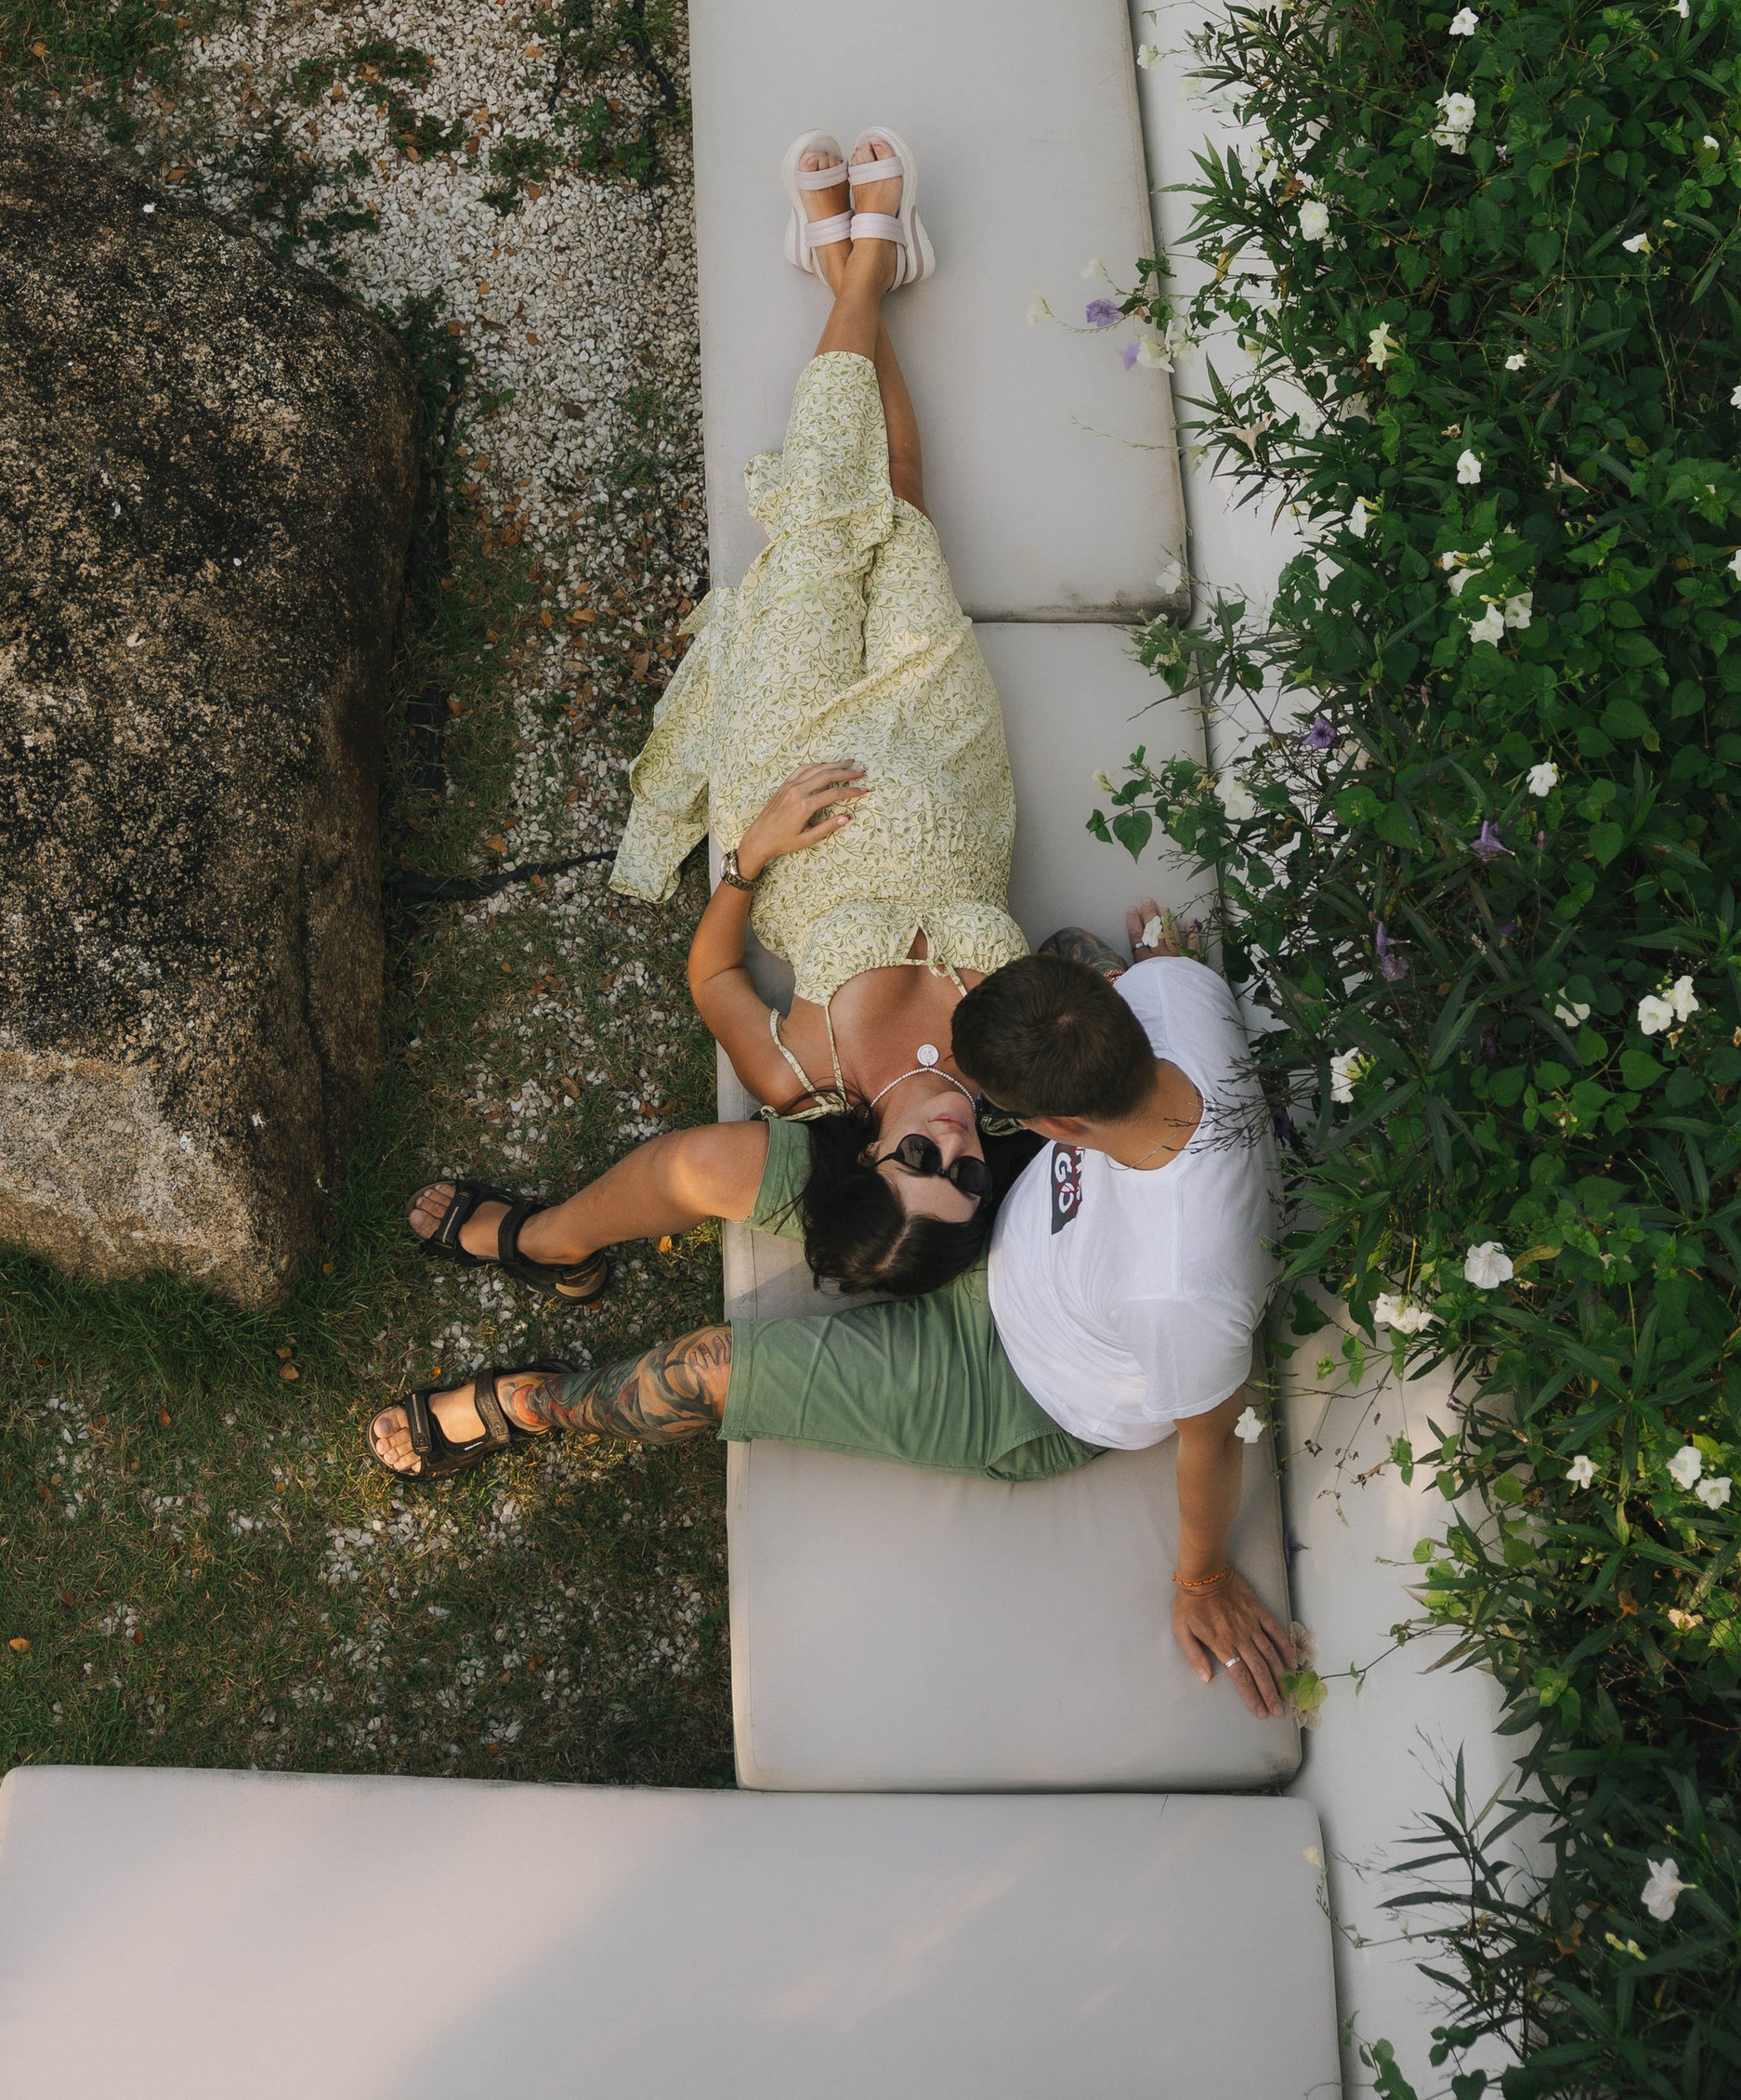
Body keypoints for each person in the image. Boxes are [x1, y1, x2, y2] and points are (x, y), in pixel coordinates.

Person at [400, 131, 1093, 1315]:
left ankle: (865, 272)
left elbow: (711, 969)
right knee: (908, 524)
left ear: (860, 1159)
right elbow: (1092, 982)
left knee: (827, 527)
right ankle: (860, 276)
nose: (950, 1147)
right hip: (945, 757)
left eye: (916, 1165)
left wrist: (751, 854)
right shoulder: (1023, 1086)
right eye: (969, 1177)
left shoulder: (798, 1076)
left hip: (791, 760)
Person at [368, 934, 1300, 1718]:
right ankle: (545, 1242)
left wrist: (1200, 1580)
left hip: (1019, 1386)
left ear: (1056, 1119)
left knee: (706, 1375)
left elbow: (1208, 1441)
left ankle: (532, 1404)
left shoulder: (1183, 1289)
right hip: (996, 1226)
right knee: (704, 1166)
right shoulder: (1175, 990)